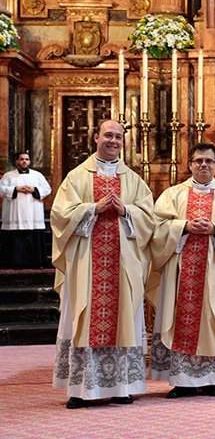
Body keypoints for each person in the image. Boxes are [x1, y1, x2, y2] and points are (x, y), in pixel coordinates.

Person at [51, 120, 154, 409]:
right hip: (86, 264)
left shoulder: (133, 180)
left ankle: (122, 386)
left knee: (123, 318)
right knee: (81, 318)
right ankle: (81, 389)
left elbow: (150, 219)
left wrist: (126, 210)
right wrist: (93, 208)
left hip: (122, 264)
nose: (113, 141)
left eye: (118, 137)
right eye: (108, 135)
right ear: (96, 137)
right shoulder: (76, 177)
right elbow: (60, 216)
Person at [148, 143, 215, 398]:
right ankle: (181, 381)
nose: (203, 165)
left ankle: (212, 380)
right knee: (181, 320)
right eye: (198, 161)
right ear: (189, 164)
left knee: (212, 321)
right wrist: (183, 226)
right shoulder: (173, 195)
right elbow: (156, 227)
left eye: (209, 161)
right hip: (181, 273)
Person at [0, 152, 52, 267]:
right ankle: (13, 263)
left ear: (29, 161)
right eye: (22, 159)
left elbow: (47, 189)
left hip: (33, 214)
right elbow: (1, 189)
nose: (24, 161)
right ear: (17, 161)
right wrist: (15, 189)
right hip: (14, 214)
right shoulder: (8, 176)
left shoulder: (37, 175)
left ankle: (36, 262)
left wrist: (34, 189)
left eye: (27, 159)